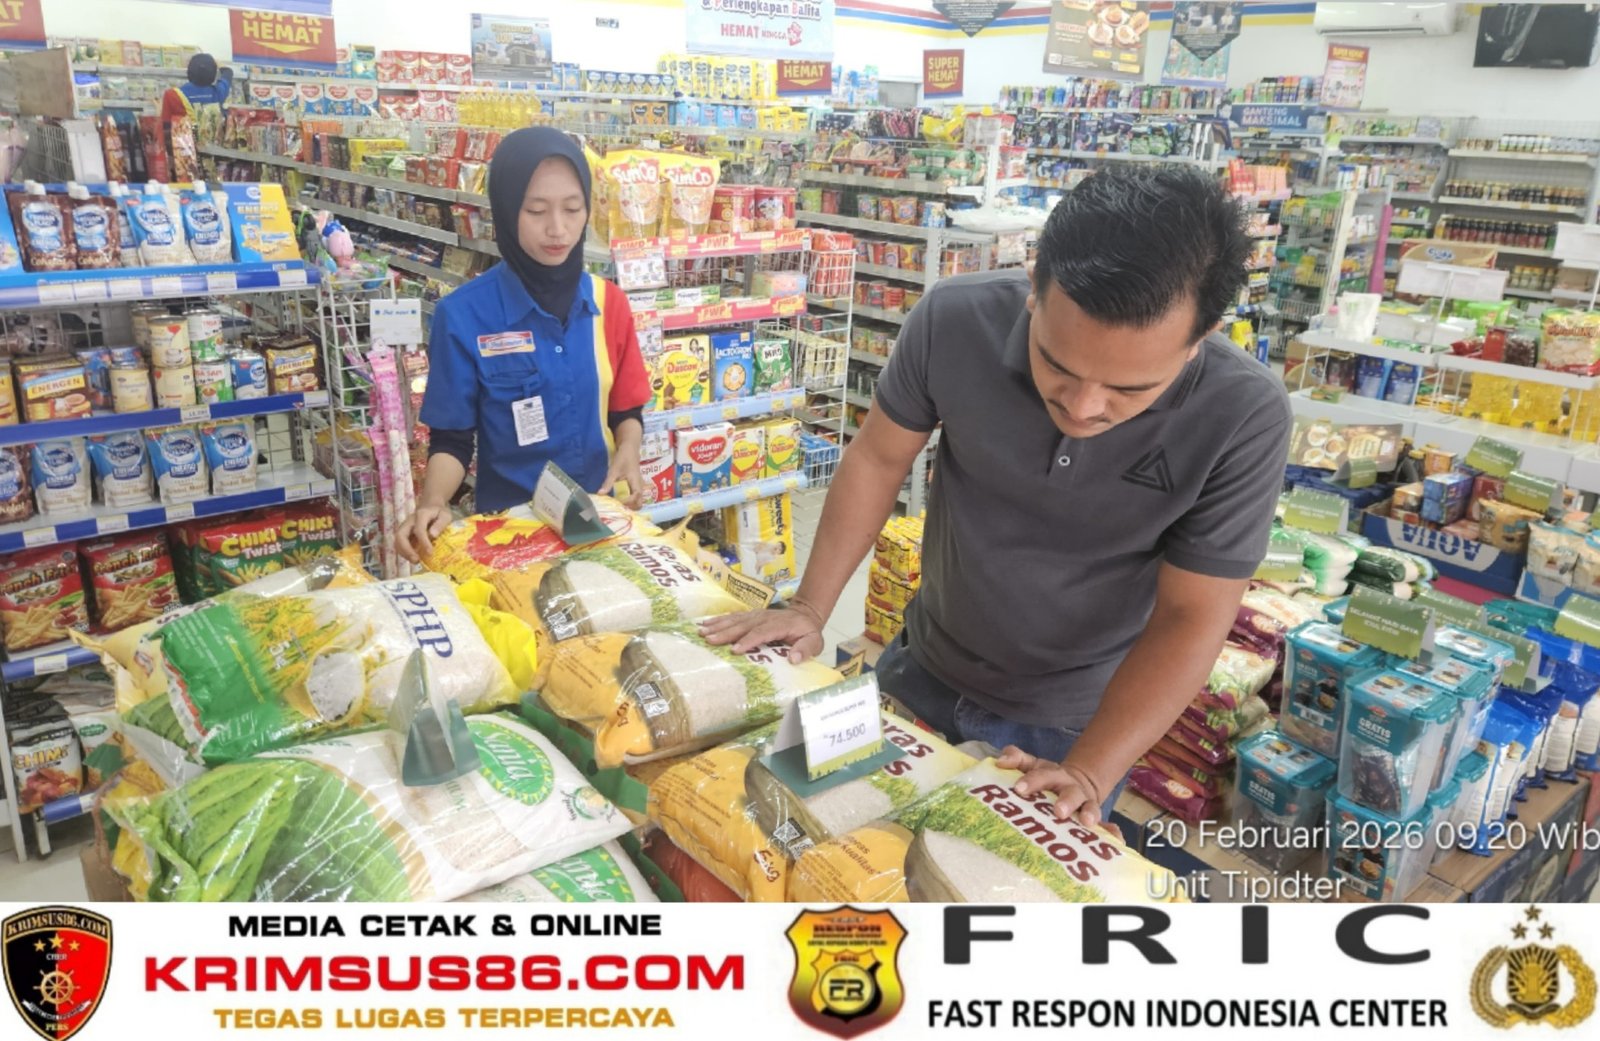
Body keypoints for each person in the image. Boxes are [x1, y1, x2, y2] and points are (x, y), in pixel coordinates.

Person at [703, 166, 1291, 828]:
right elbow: (877, 458)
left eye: (1129, 390)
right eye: (1057, 364)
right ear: (1034, 287)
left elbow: (1193, 614)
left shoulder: (1245, 415)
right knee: (810, 836)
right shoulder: (954, 319)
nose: (1084, 406)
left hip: (1074, 730)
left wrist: (1090, 770)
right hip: (916, 666)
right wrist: (810, 606)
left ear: (1200, 338)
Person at [397, 127, 652, 563]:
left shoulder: (609, 304)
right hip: (510, 540)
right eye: (536, 210)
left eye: (572, 208)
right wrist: (433, 503)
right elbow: (452, 440)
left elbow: (625, 410)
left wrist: (629, 448)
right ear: (505, 210)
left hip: (601, 526)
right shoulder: (463, 316)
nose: (558, 229)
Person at [159, 53, 234, 122]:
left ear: (189, 72)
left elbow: (165, 125)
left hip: (184, 132)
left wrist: (159, 112)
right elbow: (228, 72)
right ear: (213, 74)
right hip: (210, 132)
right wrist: (216, 63)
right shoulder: (218, 93)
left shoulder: (172, 95)